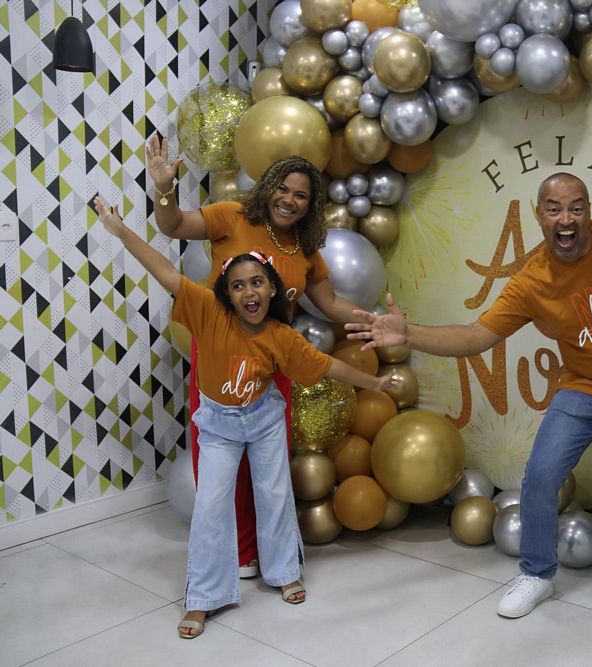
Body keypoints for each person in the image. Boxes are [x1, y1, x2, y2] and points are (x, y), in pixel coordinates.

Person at [348, 172, 592, 619]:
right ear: (539, 215)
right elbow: (475, 336)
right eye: (554, 209)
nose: (566, 219)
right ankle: (537, 572)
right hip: (584, 388)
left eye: (576, 208)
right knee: (540, 477)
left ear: (589, 211)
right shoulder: (532, 280)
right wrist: (409, 335)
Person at [93, 197, 395, 639]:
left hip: (264, 420)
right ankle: (202, 598)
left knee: (274, 493)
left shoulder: (281, 336)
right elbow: (164, 271)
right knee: (211, 507)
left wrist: (375, 383)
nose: (248, 292)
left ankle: (284, 572)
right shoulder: (207, 311)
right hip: (218, 426)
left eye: (257, 283)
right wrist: (121, 231)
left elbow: (329, 366)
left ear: (272, 290)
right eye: (237, 286)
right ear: (227, 293)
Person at [147, 136, 359, 579]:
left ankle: (273, 555)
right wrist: (164, 187)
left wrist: (375, 321)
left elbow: (331, 305)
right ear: (269, 187)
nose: (289, 200)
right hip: (219, 358)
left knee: (268, 465)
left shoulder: (305, 249)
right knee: (219, 460)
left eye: (301, 195)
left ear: (310, 205)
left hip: (272, 362)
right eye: (283, 188)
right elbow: (173, 225)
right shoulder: (233, 216)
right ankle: (239, 552)